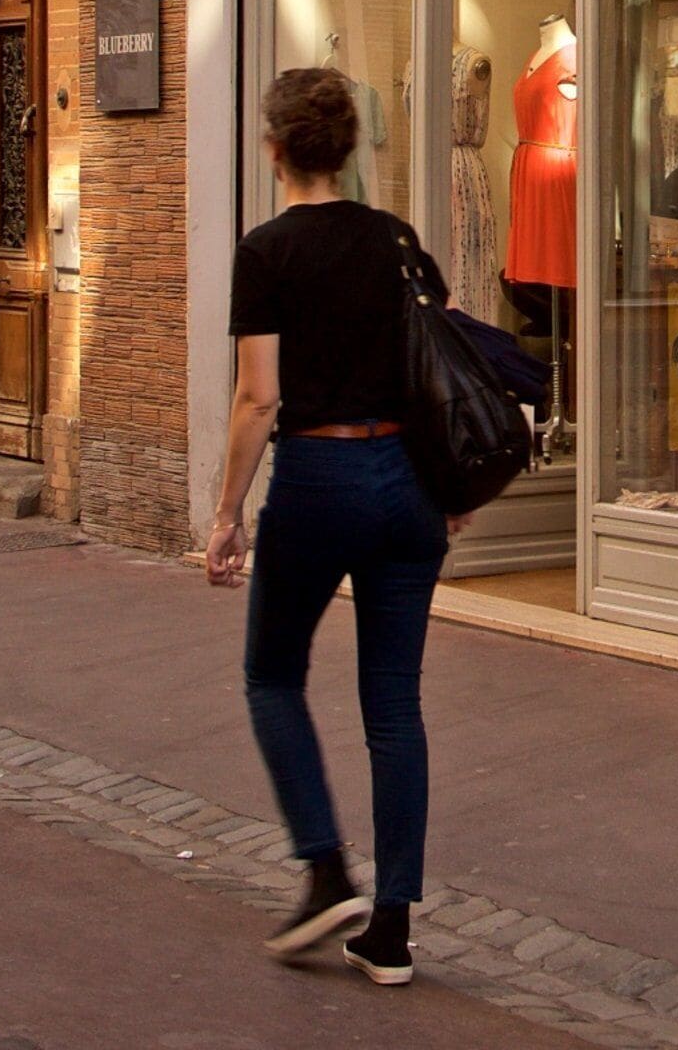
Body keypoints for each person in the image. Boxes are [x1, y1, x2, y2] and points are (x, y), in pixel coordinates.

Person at [208, 68, 463, 989]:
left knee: (272, 672)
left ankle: (323, 871)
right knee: (394, 704)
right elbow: (440, 362)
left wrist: (228, 513)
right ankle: (390, 928)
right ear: (349, 147)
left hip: (318, 477)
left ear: (274, 149)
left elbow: (258, 396)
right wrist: (450, 496)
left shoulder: (267, 251)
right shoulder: (395, 240)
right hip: (404, 482)